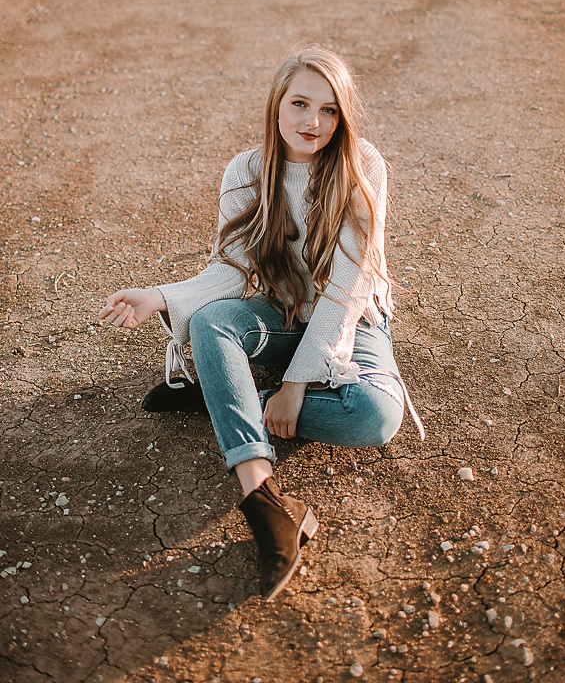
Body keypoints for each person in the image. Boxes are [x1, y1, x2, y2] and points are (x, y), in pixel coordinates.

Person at [99, 42, 424, 601]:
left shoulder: (362, 165)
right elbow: (231, 271)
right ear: (277, 104)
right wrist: (158, 295)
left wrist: (293, 387)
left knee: (374, 417)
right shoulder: (247, 171)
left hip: (351, 323)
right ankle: (266, 500)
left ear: (342, 116)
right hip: (279, 311)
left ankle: (232, 399)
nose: (312, 122)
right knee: (210, 324)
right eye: (300, 104)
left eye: (328, 110)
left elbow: (348, 288)